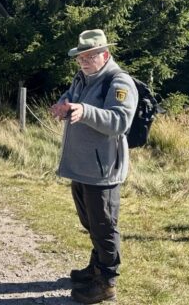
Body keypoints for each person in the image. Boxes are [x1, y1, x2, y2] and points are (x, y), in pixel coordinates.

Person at [49, 29, 139, 304]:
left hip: (103, 171)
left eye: (90, 57)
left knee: (104, 226)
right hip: (81, 166)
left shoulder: (118, 81)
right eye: (80, 58)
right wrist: (64, 104)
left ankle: (107, 283)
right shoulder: (83, 78)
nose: (84, 62)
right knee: (90, 222)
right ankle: (96, 267)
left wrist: (85, 111)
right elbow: (72, 95)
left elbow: (120, 121)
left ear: (105, 54)